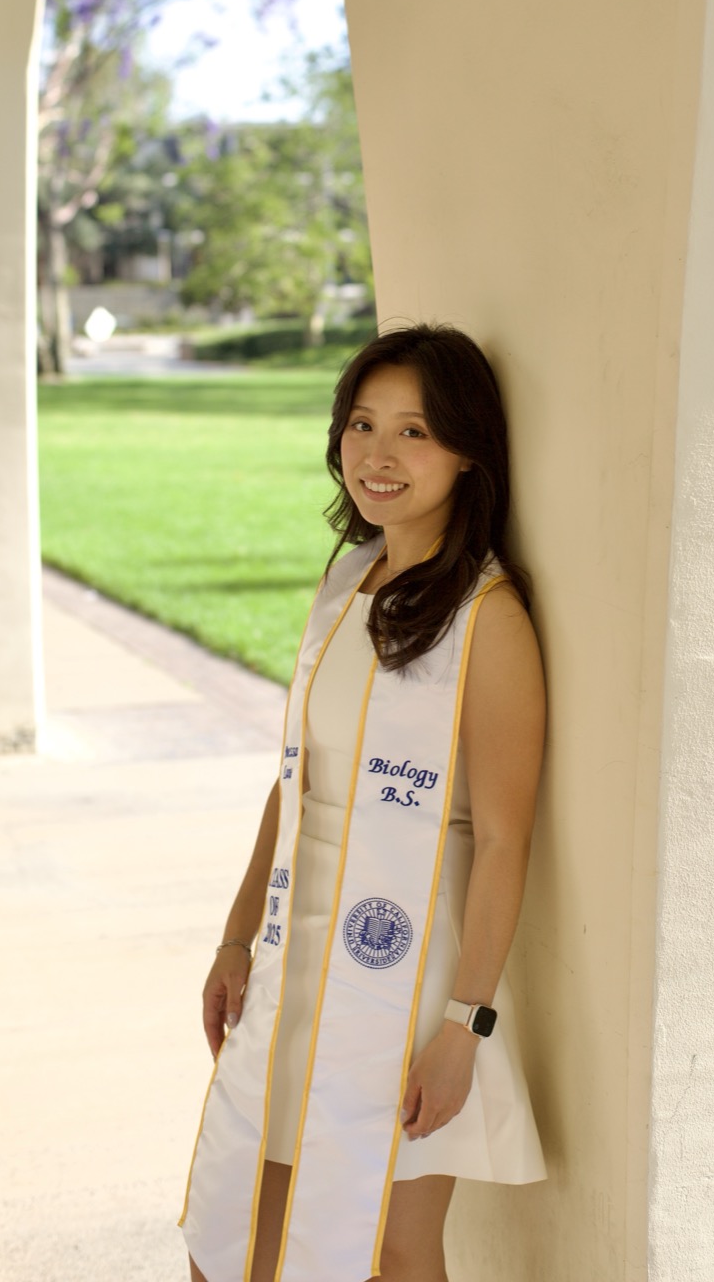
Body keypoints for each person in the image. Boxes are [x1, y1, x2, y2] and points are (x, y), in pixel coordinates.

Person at [179, 324, 546, 1282]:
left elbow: (505, 840)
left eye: (415, 432)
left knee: (389, 1247)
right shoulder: (348, 584)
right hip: (294, 958)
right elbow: (293, 780)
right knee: (238, 1230)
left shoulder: (488, 619)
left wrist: (465, 1027)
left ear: (468, 453)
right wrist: (232, 941)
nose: (378, 456)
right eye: (362, 424)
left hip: (406, 981)